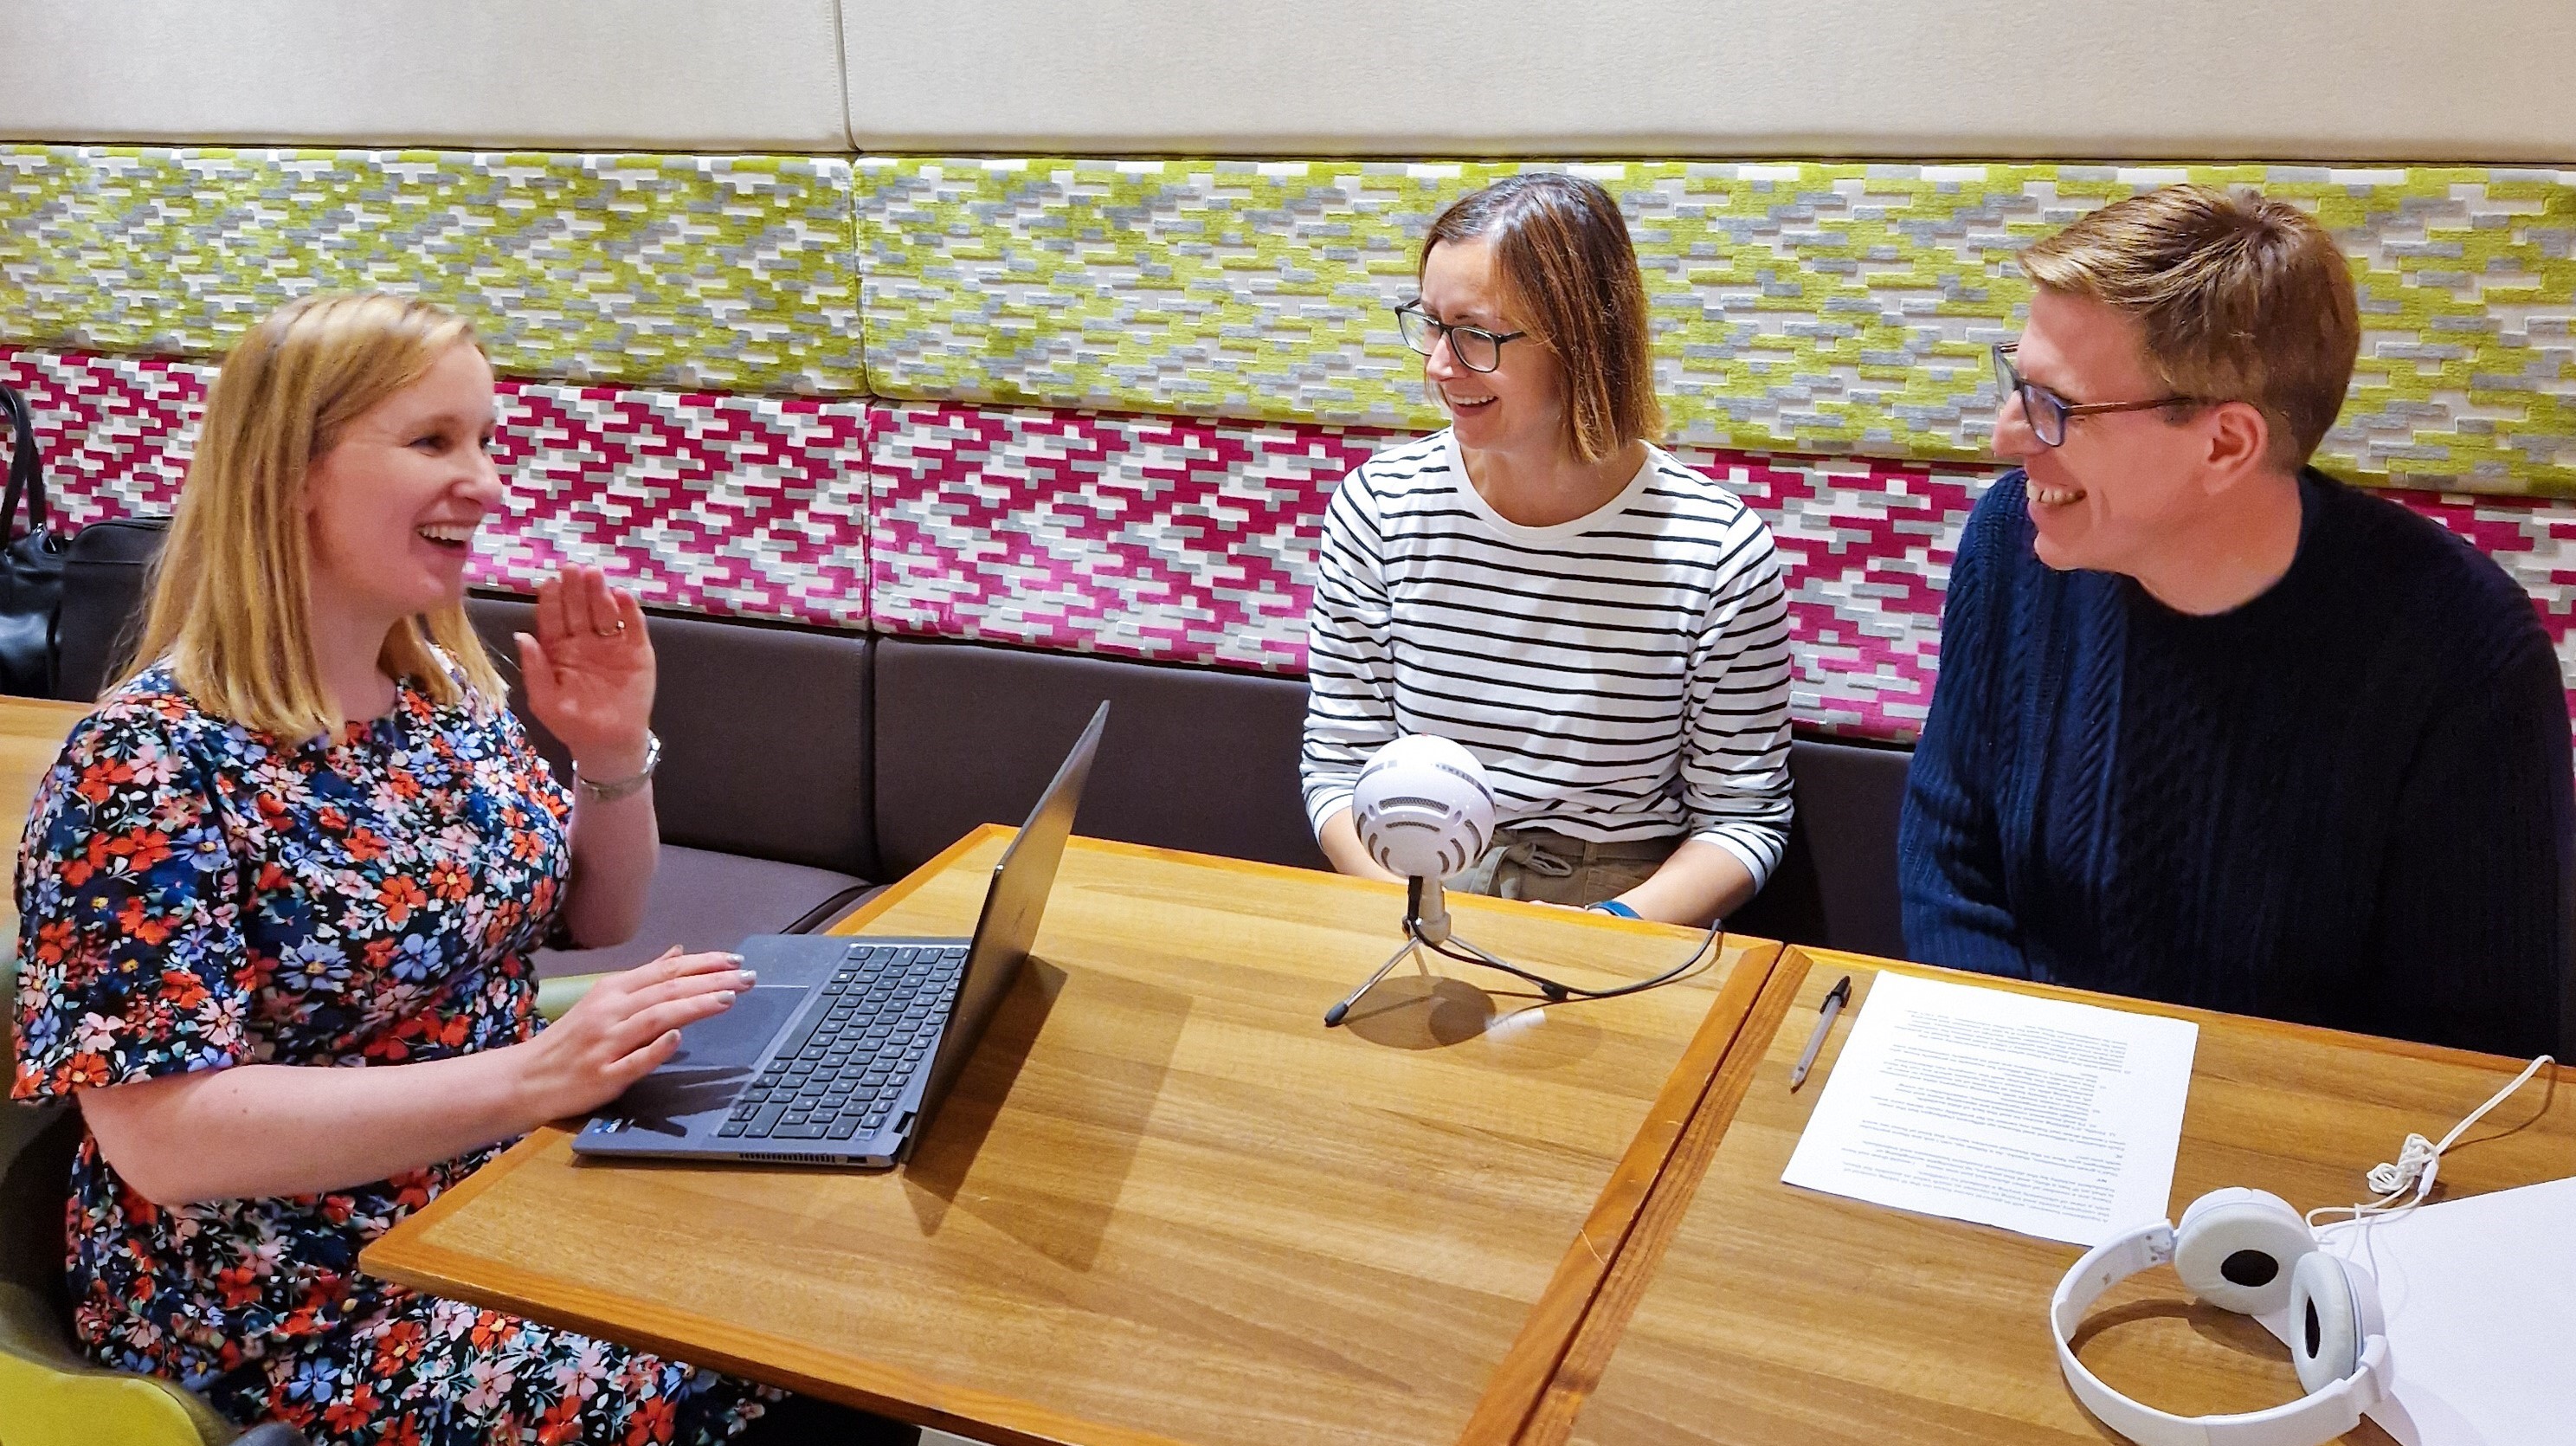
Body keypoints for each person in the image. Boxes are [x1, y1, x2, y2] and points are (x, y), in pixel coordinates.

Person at [6, 294, 909, 1445]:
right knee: (767, 1363)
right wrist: (534, 1078)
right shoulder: (144, 763)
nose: (486, 481)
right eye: (434, 441)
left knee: (838, 1293)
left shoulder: (437, 684)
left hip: (497, 1197)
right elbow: (163, 1137)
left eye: (486, 440)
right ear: (292, 471)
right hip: (300, 1303)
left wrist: (612, 751)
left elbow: (601, 911)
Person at [1900, 184, 2573, 1056]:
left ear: (2226, 445)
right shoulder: (2011, 540)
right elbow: (1949, 851)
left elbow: (2471, 1044)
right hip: (2035, 1094)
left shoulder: (2465, 658)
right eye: (2015, 381)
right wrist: (2028, 1077)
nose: (2005, 435)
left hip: (2296, 1168)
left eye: (2054, 405)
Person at [1300, 174, 1793, 926]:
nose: (1438, 365)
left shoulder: (1716, 550)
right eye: (1430, 324)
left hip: (1626, 901)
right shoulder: (1381, 507)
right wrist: (1407, 915)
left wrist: (1607, 935)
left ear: (1581, 341)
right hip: (1412, 884)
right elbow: (1338, 764)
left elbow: (1742, 818)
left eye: (1476, 334)